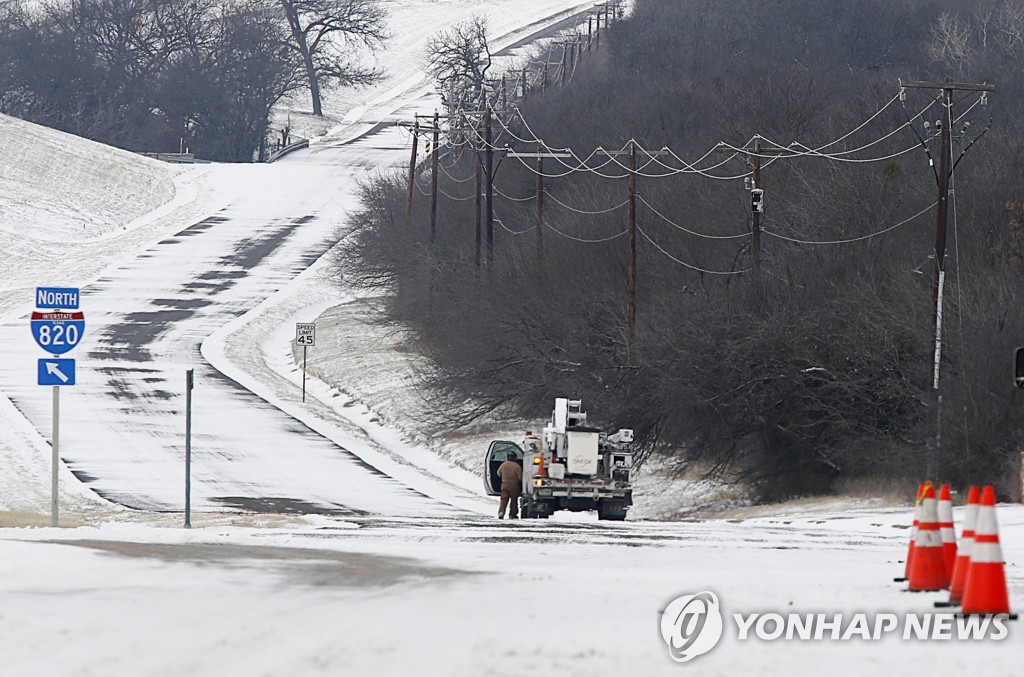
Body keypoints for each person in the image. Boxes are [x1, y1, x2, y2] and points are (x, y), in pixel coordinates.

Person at [497, 450, 523, 519]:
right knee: (514, 501)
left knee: (504, 499)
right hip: (514, 486)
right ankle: (512, 514)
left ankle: (501, 512)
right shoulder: (517, 466)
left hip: (504, 485)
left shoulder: (503, 465)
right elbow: (520, 478)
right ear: (515, 458)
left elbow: (498, 473)